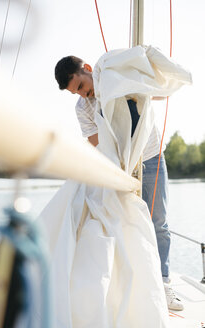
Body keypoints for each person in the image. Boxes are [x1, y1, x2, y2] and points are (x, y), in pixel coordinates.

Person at [54, 54, 184, 311]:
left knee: (159, 222)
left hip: (150, 158)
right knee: (123, 224)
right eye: (75, 93)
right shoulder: (83, 109)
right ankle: (136, 286)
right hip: (119, 170)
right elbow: (97, 146)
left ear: (88, 69)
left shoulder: (116, 75)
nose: (83, 95)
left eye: (81, 86)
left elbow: (158, 93)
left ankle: (164, 282)